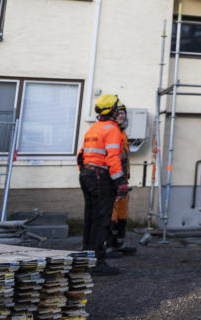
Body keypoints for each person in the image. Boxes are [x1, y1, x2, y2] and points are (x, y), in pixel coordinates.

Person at [77, 94, 129, 275]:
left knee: (90, 218)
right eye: (117, 109)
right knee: (102, 219)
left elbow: (81, 156)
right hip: (100, 177)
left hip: (87, 175)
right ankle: (98, 261)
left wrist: (86, 173)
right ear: (112, 110)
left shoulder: (93, 129)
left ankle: (86, 256)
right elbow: (113, 157)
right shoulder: (112, 130)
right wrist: (120, 182)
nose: (119, 112)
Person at [107, 103, 137, 257]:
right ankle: (109, 245)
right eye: (119, 112)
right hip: (113, 181)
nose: (122, 115)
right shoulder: (111, 132)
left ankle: (119, 244)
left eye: (124, 113)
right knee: (112, 213)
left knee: (122, 212)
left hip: (123, 181)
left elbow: (124, 158)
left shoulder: (123, 134)